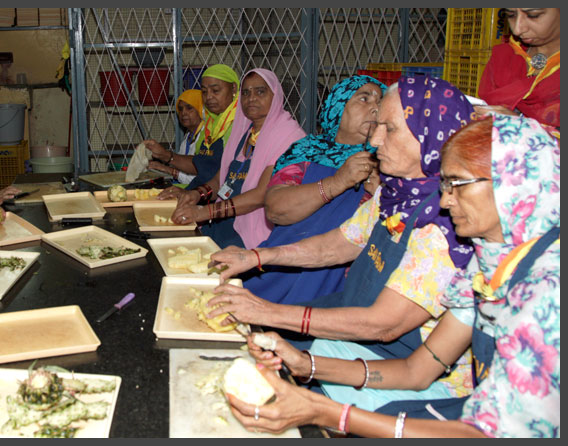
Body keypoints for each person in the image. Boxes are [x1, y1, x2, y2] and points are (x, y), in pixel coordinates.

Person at [229, 114, 560, 437]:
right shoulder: (488, 262)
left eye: (457, 184)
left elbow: (486, 431)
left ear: (513, 182)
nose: (445, 200)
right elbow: (416, 371)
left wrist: (328, 413)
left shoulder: (547, 295)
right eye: (445, 184)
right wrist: (306, 364)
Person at [208, 76, 476, 414]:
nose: (375, 140)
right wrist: (256, 256)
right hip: (361, 345)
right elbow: (335, 245)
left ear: (429, 136)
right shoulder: (394, 195)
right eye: (376, 125)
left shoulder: (445, 223)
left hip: (411, 379)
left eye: (389, 129)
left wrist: (267, 313)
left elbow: (384, 325)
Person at [242, 74, 386, 305]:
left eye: (380, 101)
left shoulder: (386, 160)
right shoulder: (307, 151)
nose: (375, 108)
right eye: (364, 99)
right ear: (337, 105)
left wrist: (380, 191)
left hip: (344, 279)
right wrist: (338, 182)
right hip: (285, 267)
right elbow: (276, 209)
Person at [169, 68, 306, 249]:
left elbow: (261, 195)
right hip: (225, 220)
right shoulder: (244, 133)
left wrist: (205, 212)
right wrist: (195, 195)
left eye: (260, 91)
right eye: (246, 93)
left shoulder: (289, 136)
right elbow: (221, 179)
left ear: (276, 95)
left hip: (257, 229)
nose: (251, 98)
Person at [150, 64, 241, 192]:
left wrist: (194, 195)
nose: (208, 97)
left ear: (233, 88)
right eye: (204, 92)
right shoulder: (212, 126)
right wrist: (166, 156)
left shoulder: (240, 125)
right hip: (205, 192)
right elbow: (202, 165)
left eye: (215, 91)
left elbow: (226, 178)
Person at [477, 8, 560, 128]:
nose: (517, 29)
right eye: (511, 15)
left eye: (533, 15)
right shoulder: (505, 56)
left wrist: (523, 128)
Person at [147, 89, 205, 186]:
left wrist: (168, 169)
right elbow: (181, 168)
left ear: (201, 109)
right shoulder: (189, 136)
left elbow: (199, 179)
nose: (183, 113)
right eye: (181, 109)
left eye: (189, 108)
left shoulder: (207, 136)